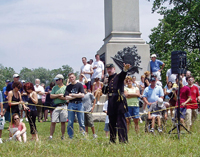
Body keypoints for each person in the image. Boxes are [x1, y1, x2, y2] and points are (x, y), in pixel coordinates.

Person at [103, 63, 131, 143]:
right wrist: (105, 83)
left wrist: (125, 69)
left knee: (121, 122)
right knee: (111, 122)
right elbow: (104, 92)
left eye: (110, 68)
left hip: (119, 102)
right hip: (111, 102)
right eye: (108, 69)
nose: (109, 70)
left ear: (114, 69)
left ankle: (123, 140)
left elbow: (123, 74)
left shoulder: (118, 76)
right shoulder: (108, 79)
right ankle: (112, 140)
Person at [65, 73, 85, 139]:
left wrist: (72, 95)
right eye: (70, 78)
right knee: (70, 121)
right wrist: (77, 95)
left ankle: (82, 135)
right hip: (71, 104)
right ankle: (70, 136)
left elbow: (82, 95)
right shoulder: (68, 87)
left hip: (79, 104)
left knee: (81, 121)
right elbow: (66, 98)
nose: (71, 79)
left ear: (75, 77)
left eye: (72, 77)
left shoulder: (79, 85)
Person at [49, 74, 67, 140]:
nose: (56, 81)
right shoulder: (54, 88)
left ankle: (63, 136)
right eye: (56, 80)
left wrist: (56, 96)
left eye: (57, 80)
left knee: (63, 121)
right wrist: (59, 95)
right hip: (56, 106)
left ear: (61, 80)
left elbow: (65, 98)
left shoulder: (65, 88)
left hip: (63, 106)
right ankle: (51, 136)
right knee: (53, 121)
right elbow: (51, 96)